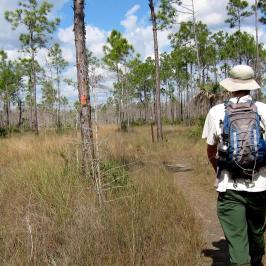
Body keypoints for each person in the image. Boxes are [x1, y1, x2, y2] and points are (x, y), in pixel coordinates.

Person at [202, 65, 266, 266]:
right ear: (251, 86)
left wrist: (221, 171)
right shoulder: (263, 109)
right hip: (261, 186)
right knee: (256, 233)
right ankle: (256, 259)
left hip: (229, 187)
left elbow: (211, 151)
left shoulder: (216, 112)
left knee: (238, 242)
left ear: (229, 85)